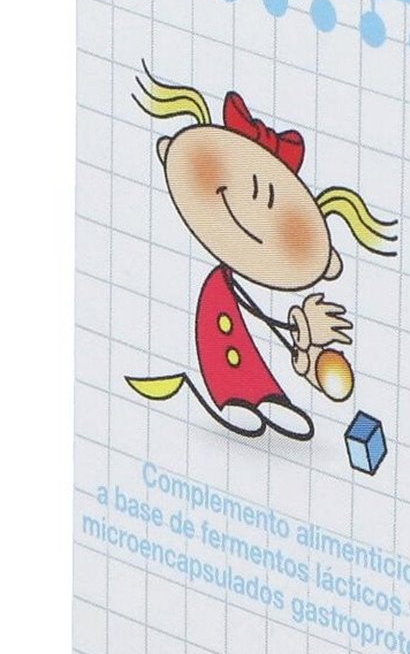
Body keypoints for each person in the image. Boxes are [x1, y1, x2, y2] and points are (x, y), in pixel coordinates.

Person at [126, 65, 396, 440]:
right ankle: (229, 397)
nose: (253, 201)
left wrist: (307, 341)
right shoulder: (218, 281)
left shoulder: (263, 283)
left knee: (253, 359)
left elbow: (275, 325)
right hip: (217, 342)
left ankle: (266, 397)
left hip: (259, 353)